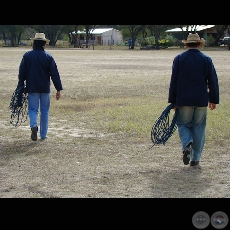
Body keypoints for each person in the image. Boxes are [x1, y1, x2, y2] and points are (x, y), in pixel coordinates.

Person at [168, 33, 219, 167]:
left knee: (183, 124)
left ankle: (186, 144)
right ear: (200, 44)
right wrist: (213, 99)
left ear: (186, 44)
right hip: (201, 100)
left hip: (183, 100)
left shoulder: (179, 59)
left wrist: (173, 101)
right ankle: (195, 159)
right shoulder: (206, 59)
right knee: (199, 128)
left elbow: (174, 81)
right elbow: (213, 81)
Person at [17, 32, 63, 141]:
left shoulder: (27, 56)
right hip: (44, 88)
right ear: (44, 44)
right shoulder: (48, 56)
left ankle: (33, 125)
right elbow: (54, 73)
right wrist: (58, 88)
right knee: (44, 110)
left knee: (32, 109)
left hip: (32, 87)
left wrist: (21, 85)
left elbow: (22, 72)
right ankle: (43, 134)